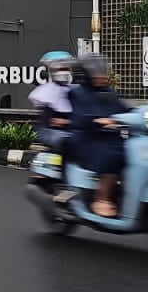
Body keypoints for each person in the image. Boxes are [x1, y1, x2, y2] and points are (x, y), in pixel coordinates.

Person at [69, 53, 128, 217]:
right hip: (87, 139)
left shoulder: (110, 94)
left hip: (110, 137)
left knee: (133, 152)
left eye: (102, 71)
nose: (101, 75)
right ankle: (102, 198)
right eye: (96, 72)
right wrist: (96, 120)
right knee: (112, 154)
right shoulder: (78, 94)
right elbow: (79, 117)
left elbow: (125, 109)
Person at [28, 51, 75, 153]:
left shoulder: (73, 90)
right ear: (53, 71)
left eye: (66, 69)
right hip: (50, 134)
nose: (63, 72)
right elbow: (47, 121)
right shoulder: (43, 92)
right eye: (60, 69)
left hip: (71, 134)